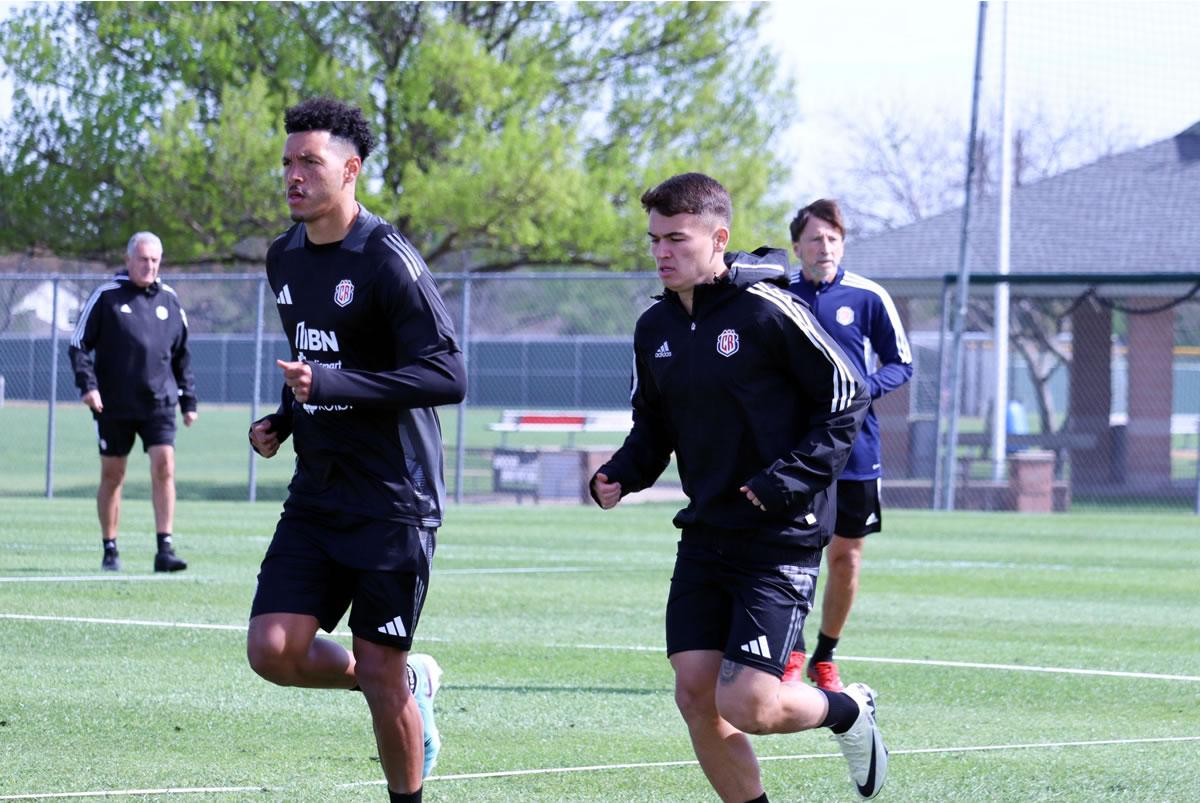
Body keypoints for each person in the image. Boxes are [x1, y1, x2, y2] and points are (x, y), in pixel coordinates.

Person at [590, 173, 887, 801]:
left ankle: (848, 711)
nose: (661, 252)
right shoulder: (655, 328)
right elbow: (655, 425)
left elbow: (848, 396)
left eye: (677, 238)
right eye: (654, 240)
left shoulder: (770, 310)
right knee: (695, 692)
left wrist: (787, 481)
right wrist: (622, 472)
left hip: (781, 533)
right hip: (707, 532)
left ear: (718, 238)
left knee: (750, 703)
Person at [244, 97, 466, 801]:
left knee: (376, 667)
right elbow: (315, 357)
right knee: (271, 650)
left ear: (350, 170)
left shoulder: (387, 259)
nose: (293, 175)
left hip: (392, 499)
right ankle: (406, 676)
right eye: (286, 162)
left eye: (308, 161)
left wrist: (334, 381)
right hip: (319, 490)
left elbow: (449, 374)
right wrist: (281, 417)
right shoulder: (283, 257)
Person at [783, 199, 913, 693]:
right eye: (815, 239)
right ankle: (789, 652)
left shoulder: (868, 296)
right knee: (794, 551)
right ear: (797, 247)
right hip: (794, 447)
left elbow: (900, 364)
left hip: (856, 447)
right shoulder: (778, 293)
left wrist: (858, 392)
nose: (825, 247)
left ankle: (824, 656)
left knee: (847, 557)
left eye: (833, 239)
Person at [68, 231, 197, 573]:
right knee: (113, 474)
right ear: (128, 260)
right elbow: (78, 344)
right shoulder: (107, 296)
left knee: (164, 467)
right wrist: (88, 387)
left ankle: (164, 549)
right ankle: (110, 548)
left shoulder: (169, 299)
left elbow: (182, 354)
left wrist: (188, 401)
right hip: (113, 405)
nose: (149, 266)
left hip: (159, 403)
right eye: (143, 259)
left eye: (155, 260)